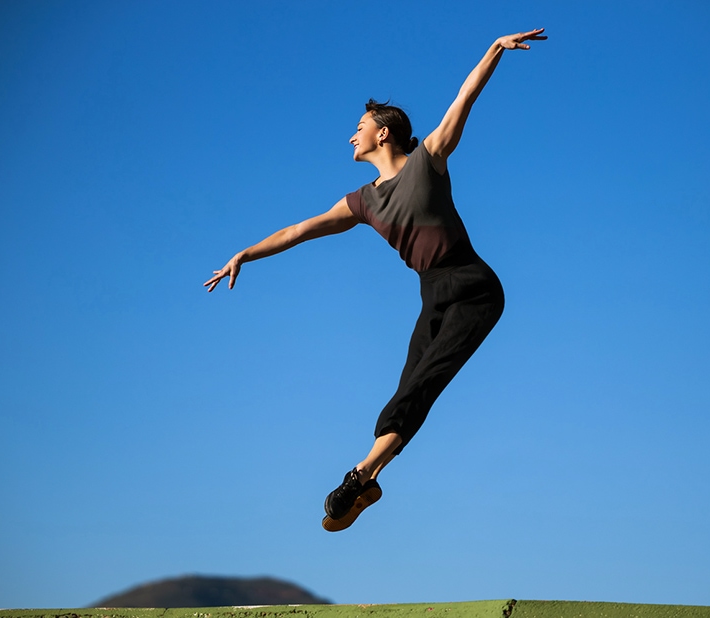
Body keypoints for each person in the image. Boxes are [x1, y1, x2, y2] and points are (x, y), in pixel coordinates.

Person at [204, 28, 547, 532]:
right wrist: (245, 254)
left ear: (382, 133)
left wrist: (495, 49)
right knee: (408, 388)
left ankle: (359, 472)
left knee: (423, 385)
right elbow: (301, 229)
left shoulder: (428, 159)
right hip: (432, 292)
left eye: (360, 126)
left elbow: (464, 97)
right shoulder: (362, 201)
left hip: (474, 287)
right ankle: (369, 483)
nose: (352, 134)